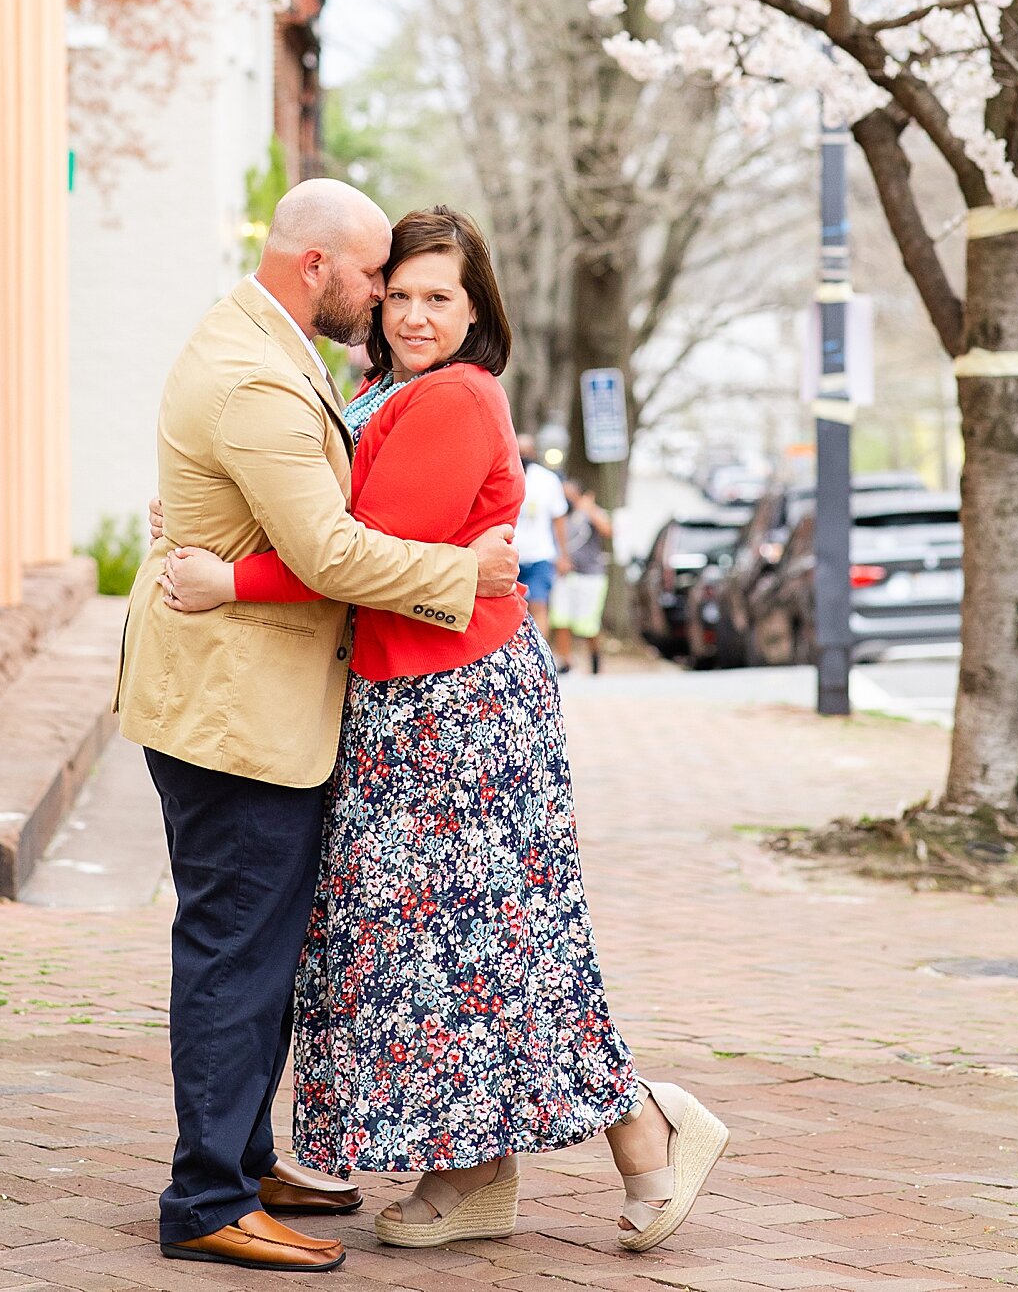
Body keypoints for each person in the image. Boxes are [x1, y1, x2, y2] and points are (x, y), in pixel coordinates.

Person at [164, 207, 729, 1258]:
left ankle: (648, 1128)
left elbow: (353, 552)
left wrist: (227, 576)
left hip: (458, 710)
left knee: (504, 946)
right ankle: (470, 1175)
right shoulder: (382, 390)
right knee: (438, 951)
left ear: (478, 313)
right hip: (404, 698)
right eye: (403, 292)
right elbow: (317, 515)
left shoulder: (455, 399)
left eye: (441, 298)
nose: (415, 314)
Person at [114, 179, 520, 1274]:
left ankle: (243, 1159)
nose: (386, 296)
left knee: (257, 944)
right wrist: (463, 571)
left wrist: (210, 541)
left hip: (252, 702)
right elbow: (333, 552)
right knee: (236, 948)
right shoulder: (257, 374)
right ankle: (206, 1200)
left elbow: (297, 510)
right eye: (377, 276)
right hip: (236, 715)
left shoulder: (272, 346)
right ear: (319, 268)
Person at [551, 480, 613, 676]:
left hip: (590, 575)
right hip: (564, 574)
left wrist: (589, 509)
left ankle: (595, 660)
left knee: (588, 624)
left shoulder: (588, 512)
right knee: (561, 618)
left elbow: (608, 530)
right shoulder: (557, 515)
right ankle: (566, 661)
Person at [514, 430, 569, 636]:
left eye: (527, 451)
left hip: (540, 556)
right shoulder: (504, 475)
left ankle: (540, 656)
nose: (523, 455)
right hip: (511, 556)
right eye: (519, 450)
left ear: (534, 453)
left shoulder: (548, 480)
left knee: (539, 605)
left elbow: (559, 519)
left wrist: (563, 554)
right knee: (513, 611)